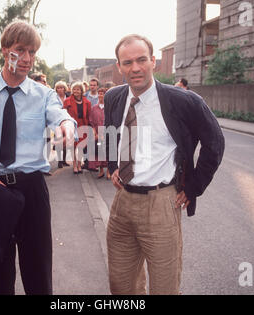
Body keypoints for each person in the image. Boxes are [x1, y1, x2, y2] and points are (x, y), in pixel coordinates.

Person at [0, 20, 75, 295]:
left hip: (32, 190)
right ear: (5, 50)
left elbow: (61, 116)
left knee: (38, 272)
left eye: (33, 52)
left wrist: (66, 126)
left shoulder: (43, 95)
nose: (28, 59)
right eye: (21, 50)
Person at [105, 34, 225, 295]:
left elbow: (214, 142)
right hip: (122, 204)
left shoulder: (184, 101)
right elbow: (111, 132)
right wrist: (112, 165)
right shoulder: (113, 97)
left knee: (164, 288)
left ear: (153, 62)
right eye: (127, 63)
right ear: (119, 67)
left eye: (141, 60)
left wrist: (193, 187)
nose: (135, 68)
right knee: (121, 287)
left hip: (161, 204)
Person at [63, 81, 91, 174]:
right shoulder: (67, 101)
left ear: (81, 91)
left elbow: (88, 115)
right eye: (74, 89)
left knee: (81, 146)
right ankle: (75, 165)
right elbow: (64, 114)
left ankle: (80, 164)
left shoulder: (87, 102)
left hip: (83, 125)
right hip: (72, 125)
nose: (75, 91)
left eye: (78, 89)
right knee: (73, 146)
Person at [88, 87, 109, 179]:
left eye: (103, 93)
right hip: (97, 134)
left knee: (108, 152)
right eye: (99, 93)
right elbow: (91, 122)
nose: (101, 95)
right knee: (99, 152)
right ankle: (101, 171)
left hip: (107, 133)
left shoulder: (109, 108)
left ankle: (109, 171)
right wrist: (95, 134)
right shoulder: (94, 108)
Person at [54, 81, 69, 168]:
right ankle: (59, 161)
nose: (60, 89)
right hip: (58, 121)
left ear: (64, 88)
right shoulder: (54, 98)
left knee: (66, 141)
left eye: (61, 87)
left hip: (67, 120)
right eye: (58, 88)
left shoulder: (68, 97)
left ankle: (64, 160)